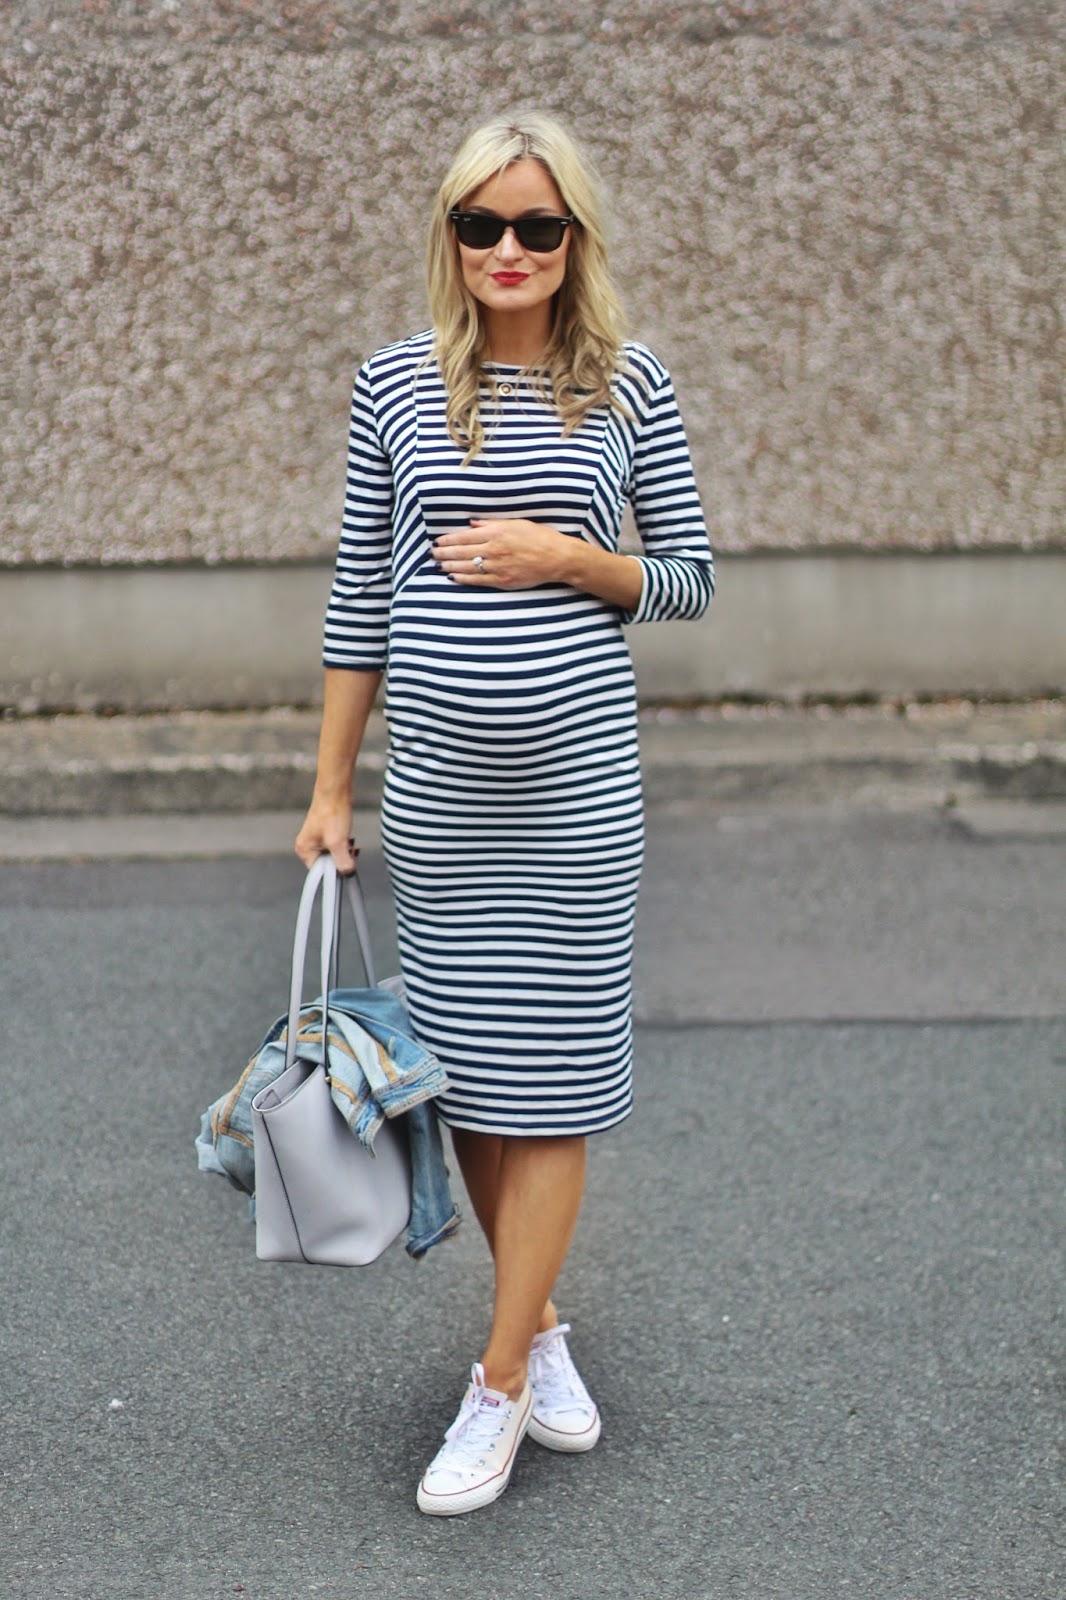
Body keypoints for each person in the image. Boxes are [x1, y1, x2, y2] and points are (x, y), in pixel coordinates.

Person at [295, 110, 714, 1517]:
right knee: (472, 1074)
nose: (509, 249)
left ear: (574, 237)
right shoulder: (396, 383)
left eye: (537, 225)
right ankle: (535, 1330)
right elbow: (361, 593)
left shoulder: (630, 385)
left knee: (556, 1084)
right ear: (453, 236)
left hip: (577, 802)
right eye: (482, 225)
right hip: (442, 805)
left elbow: (690, 580)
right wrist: (331, 787)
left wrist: (564, 556)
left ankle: (495, 1383)